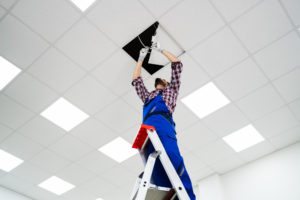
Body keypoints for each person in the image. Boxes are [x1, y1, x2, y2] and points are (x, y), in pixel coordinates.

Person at [131, 42, 196, 200]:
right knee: (155, 170)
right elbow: (136, 81)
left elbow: (177, 64)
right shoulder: (148, 96)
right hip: (148, 131)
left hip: (163, 127)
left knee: (172, 159)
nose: (160, 79)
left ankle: (188, 196)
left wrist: (160, 49)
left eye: (163, 80)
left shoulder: (171, 90)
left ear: (166, 84)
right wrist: (140, 58)